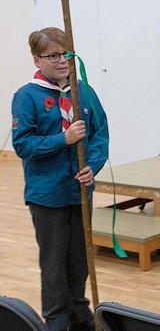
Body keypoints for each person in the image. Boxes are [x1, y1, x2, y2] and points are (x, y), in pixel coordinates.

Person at [12, 27, 109, 331]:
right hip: (48, 194)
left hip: (80, 192)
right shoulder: (27, 96)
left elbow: (99, 134)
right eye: (52, 55)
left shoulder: (84, 92)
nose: (61, 61)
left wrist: (93, 165)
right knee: (54, 265)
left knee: (79, 261)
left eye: (66, 54)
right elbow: (23, 145)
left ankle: (81, 318)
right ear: (36, 59)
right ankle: (56, 321)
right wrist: (62, 139)